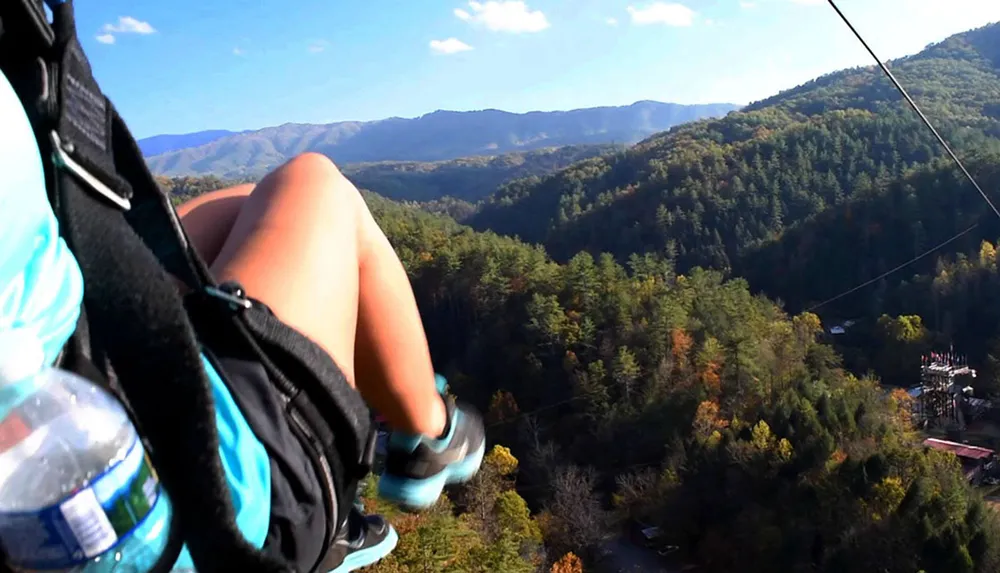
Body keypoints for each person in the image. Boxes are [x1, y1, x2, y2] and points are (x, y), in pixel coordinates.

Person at [174, 152, 487, 543]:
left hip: (108, 408)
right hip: (215, 479)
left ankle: (416, 437)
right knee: (317, 181)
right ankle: (425, 433)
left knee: (246, 205)